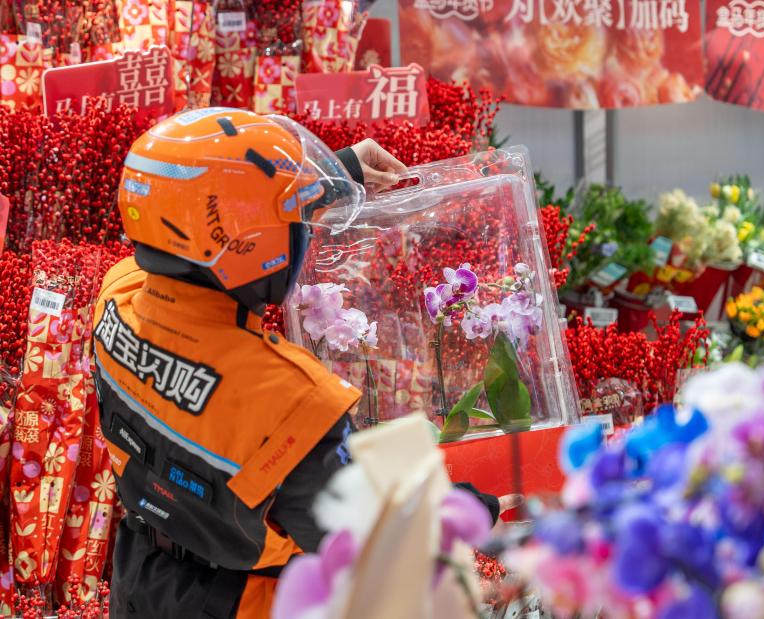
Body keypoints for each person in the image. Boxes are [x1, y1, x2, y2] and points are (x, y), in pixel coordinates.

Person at [94, 108, 514, 618]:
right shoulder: (288, 400)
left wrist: (338, 173)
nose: (304, 233)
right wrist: (471, 507)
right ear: (248, 242)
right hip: (235, 602)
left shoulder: (117, 296)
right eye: (294, 222)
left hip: (140, 574)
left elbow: (194, 216)